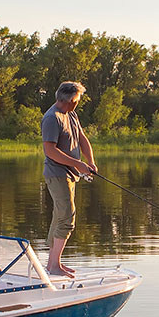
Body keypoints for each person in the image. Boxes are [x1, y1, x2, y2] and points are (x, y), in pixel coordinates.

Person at [41, 81, 97, 277]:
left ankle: (53, 264)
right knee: (67, 216)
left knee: (60, 215)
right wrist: (78, 164)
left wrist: (89, 161)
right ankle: (54, 266)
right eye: (77, 100)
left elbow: (81, 137)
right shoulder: (52, 118)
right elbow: (50, 150)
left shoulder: (71, 114)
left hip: (70, 174)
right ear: (70, 100)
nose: (78, 103)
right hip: (57, 174)